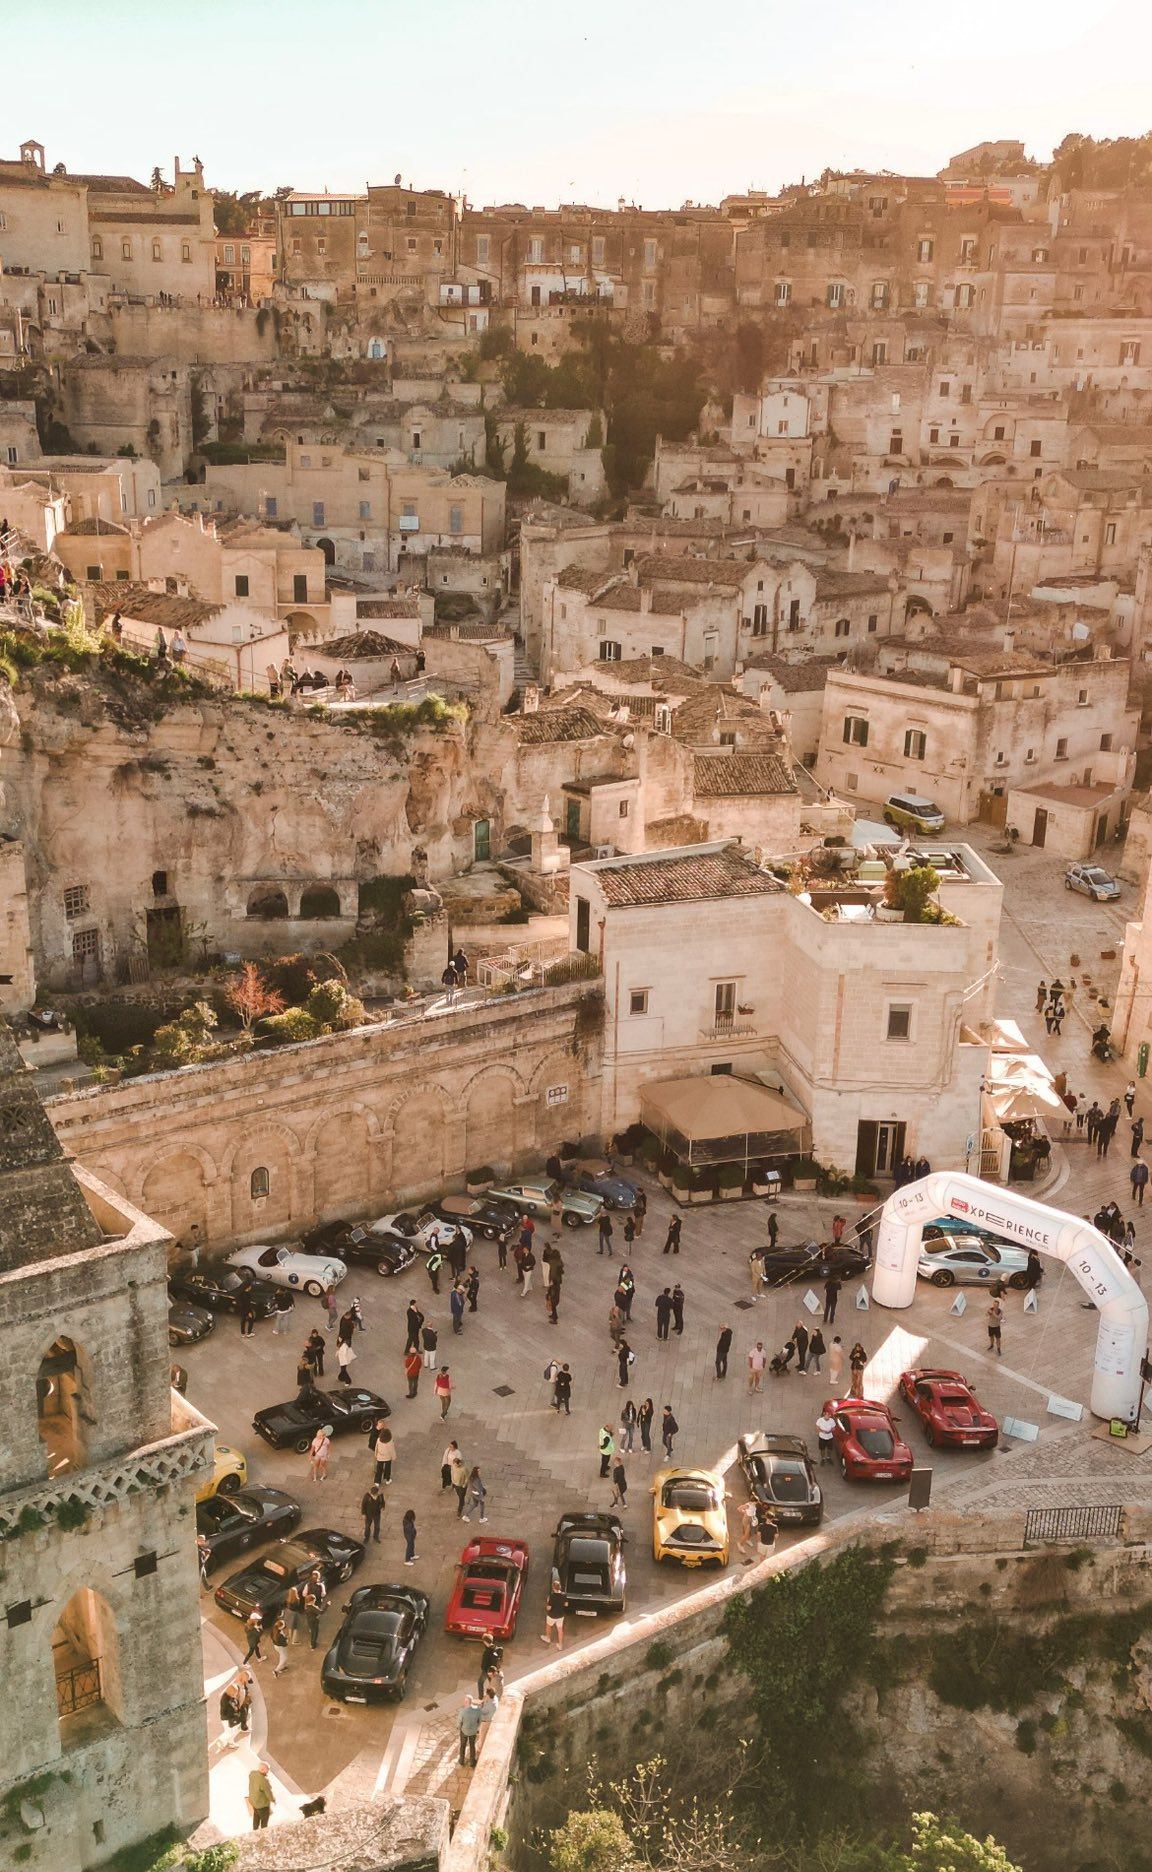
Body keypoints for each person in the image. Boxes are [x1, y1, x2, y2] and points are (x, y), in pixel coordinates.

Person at [541, 1570, 566, 1648]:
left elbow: (549, 1608)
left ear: (553, 1587)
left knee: (548, 1626)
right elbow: (566, 1604)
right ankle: (560, 1645)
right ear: (559, 1587)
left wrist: (547, 1603)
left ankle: (548, 1638)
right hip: (560, 1615)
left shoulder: (552, 1596)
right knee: (560, 1630)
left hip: (552, 1615)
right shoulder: (564, 1595)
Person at [458, 1696, 482, 1768]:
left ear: (466, 1702)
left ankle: (461, 1760)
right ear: (471, 1702)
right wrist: (476, 1727)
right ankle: (472, 1762)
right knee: (472, 1746)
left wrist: (459, 1728)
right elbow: (479, 1721)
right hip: (473, 1731)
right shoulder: (477, 1711)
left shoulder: (462, 1712)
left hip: (464, 1731)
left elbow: (459, 1722)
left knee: (462, 1746)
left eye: (465, 1701)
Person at [249, 1763, 274, 1830]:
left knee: (256, 1817)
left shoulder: (253, 1774)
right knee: (264, 1821)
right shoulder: (263, 1780)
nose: (268, 1771)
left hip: (254, 1802)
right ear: (262, 1769)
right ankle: (264, 1832)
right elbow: (268, 1792)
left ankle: (255, 1831)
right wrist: (273, 1800)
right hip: (262, 1804)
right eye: (267, 1769)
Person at [450, 1448, 469, 1515]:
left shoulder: (464, 1469)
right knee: (459, 1495)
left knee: (461, 1498)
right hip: (456, 1484)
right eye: (454, 1464)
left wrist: (464, 1484)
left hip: (462, 1486)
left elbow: (467, 1477)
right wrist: (452, 1480)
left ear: (459, 1464)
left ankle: (459, 1510)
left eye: (455, 1464)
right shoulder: (453, 1467)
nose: (454, 1466)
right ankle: (462, 1501)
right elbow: (452, 1472)